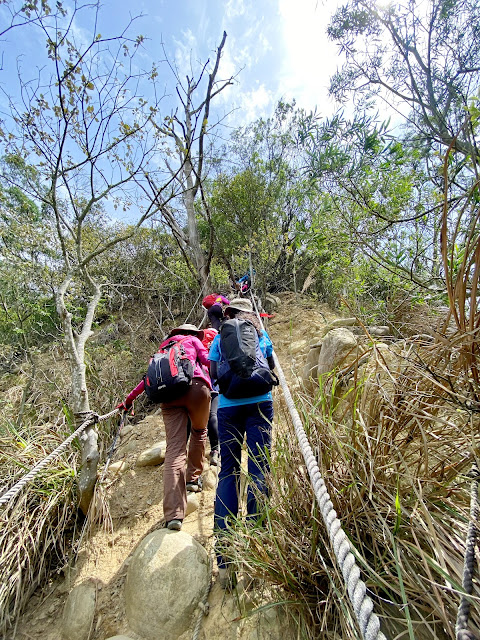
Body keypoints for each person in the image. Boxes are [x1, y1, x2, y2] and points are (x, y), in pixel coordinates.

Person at [208, 298, 276, 587]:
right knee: (259, 469)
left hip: (228, 407)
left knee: (228, 473)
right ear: (248, 312)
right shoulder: (259, 331)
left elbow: (212, 373)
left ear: (228, 313)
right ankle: (256, 552)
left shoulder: (221, 334)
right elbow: (271, 365)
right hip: (260, 403)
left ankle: (225, 562)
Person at [118, 324, 211, 532]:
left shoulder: (161, 350)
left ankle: (174, 515)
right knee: (199, 432)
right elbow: (207, 361)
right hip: (196, 388)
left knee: (175, 450)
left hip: (168, 397)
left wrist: (128, 400)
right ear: (192, 334)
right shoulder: (193, 341)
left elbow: (146, 381)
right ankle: (193, 479)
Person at [201, 327, 220, 466]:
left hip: (198, 387)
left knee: (200, 420)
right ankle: (215, 450)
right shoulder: (217, 346)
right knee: (213, 415)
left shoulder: (197, 347)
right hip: (214, 388)